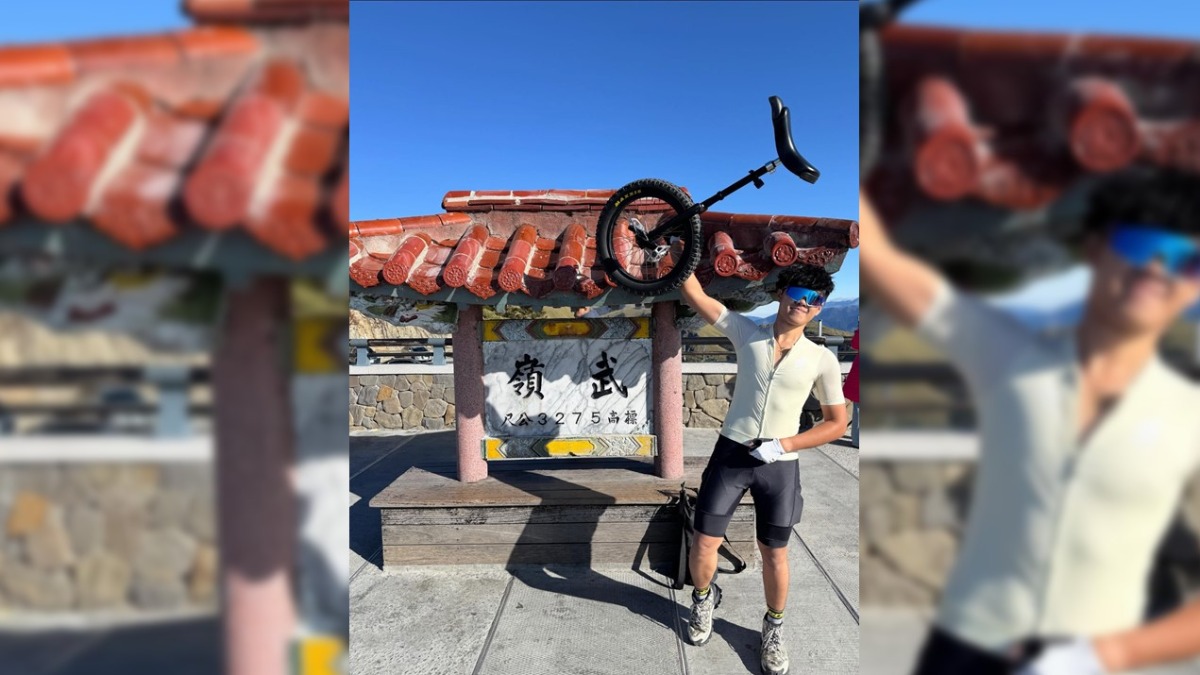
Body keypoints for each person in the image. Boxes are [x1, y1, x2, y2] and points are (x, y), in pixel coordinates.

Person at [860, 169, 1200, 674]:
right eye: (1139, 244)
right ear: (1094, 248)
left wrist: (1110, 654)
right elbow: (879, 258)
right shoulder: (1007, 353)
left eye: (1186, 259)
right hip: (963, 650)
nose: (1157, 269)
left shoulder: (1190, 412)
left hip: (1098, 659)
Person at [678, 263, 849, 675]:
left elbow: (836, 423)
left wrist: (785, 444)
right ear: (781, 293)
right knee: (704, 542)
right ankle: (702, 600)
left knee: (775, 554)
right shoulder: (747, 332)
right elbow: (697, 296)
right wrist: (677, 251)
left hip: (780, 465)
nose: (804, 304)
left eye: (815, 300)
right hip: (732, 455)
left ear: (820, 309)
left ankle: (774, 628)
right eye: (798, 294)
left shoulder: (821, 359)